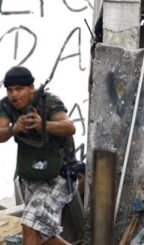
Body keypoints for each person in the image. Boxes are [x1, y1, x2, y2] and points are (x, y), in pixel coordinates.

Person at [0, 66, 76, 245]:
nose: (14, 95)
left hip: (59, 176)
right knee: (41, 234)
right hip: (32, 175)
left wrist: (43, 125)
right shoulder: (6, 105)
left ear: (31, 87)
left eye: (19, 89)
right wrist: (13, 129)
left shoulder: (48, 102)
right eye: (10, 90)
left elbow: (69, 127)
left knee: (30, 225)